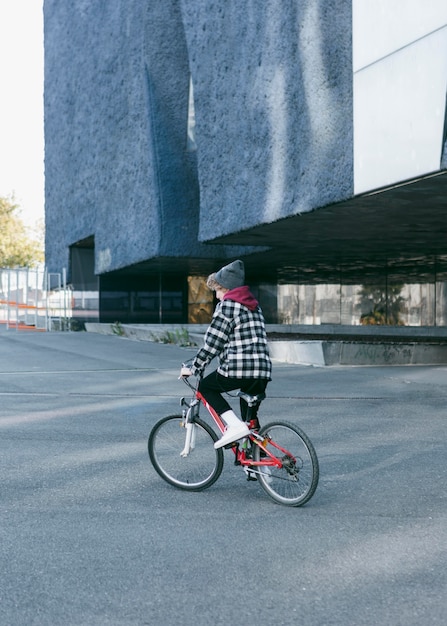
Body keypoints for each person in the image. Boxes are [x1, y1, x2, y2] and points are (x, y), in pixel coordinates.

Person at [181, 259, 272, 449]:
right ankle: (256, 463)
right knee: (250, 421)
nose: (216, 296)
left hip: (239, 369)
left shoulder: (228, 306)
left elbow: (213, 343)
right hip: (262, 371)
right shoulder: (254, 306)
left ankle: (233, 425)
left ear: (226, 288)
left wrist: (193, 367)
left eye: (217, 291)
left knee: (206, 387)